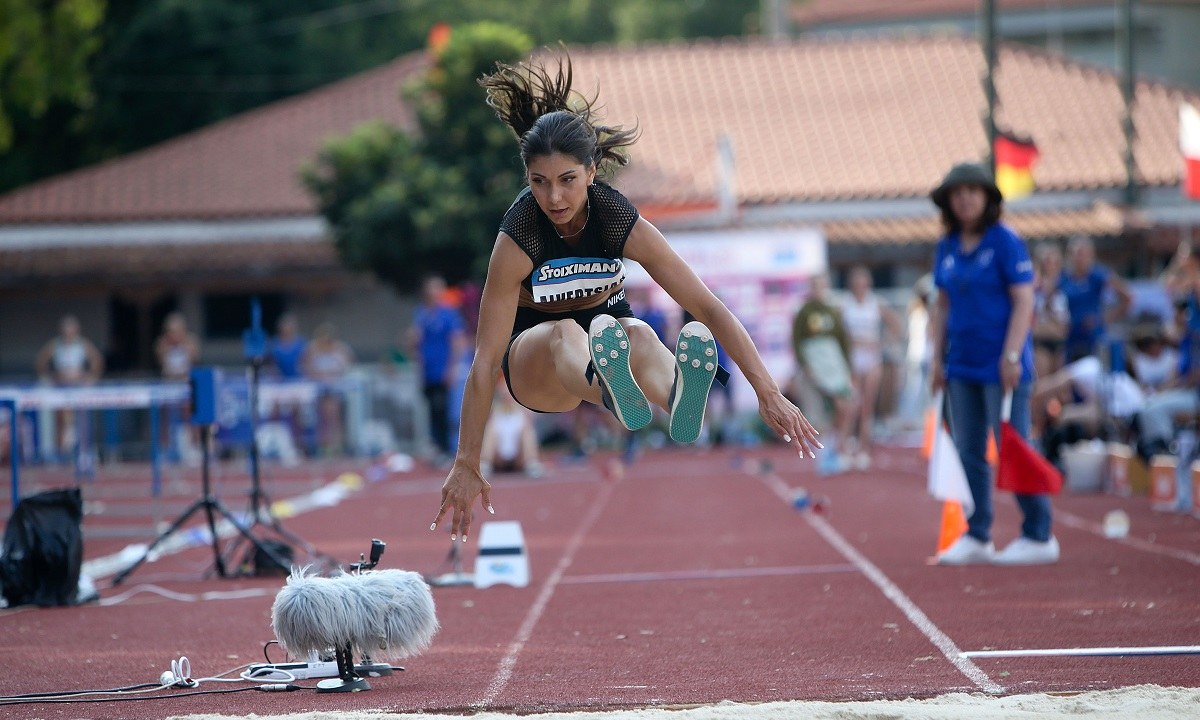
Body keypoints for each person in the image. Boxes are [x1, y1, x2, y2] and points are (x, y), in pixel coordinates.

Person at [430, 54, 821, 541]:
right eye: (539, 182)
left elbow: (708, 307)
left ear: (592, 173)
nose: (554, 198)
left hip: (609, 337)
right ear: (527, 179)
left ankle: (678, 400)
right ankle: (611, 391)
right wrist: (467, 460)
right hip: (539, 366)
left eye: (567, 180)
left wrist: (767, 391)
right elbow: (486, 361)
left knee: (635, 331)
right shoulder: (519, 237)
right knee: (569, 331)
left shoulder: (616, 218)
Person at [928, 162, 1057, 565]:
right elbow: (942, 306)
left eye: (973, 190)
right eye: (958, 191)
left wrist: (1013, 355)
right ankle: (978, 533)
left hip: (1003, 367)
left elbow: (1024, 300)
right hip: (960, 367)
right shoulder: (947, 246)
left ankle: (1039, 534)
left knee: (1012, 445)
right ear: (949, 201)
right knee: (969, 451)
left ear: (987, 198)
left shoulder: (1005, 242)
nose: (965, 197)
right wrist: (935, 359)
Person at [792, 272, 857, 473]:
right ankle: (825, 454)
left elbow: (843, 341)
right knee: (820, 413)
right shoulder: (804, 313)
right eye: (815, 286)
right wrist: (806, 366)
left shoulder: (833, 312)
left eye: (822, 286)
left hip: (834, 365)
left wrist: (847, 368)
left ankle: (838, 446)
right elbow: (797, 341)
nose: (819, 290)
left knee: (846, 405)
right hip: (815, 367)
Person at [840, 265, 901, 469]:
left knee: (867, 407)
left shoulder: (875, 303)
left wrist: (884, 342)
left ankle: (864, 450)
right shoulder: (846, 305)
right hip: (854, 360)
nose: (860, 287)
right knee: (851, 406)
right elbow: (840, 333)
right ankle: (845, 450)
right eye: (856, 283)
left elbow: (896, 324)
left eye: (863, 283)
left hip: (872, 360)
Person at [408, 276, 468, 462]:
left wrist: (452, 368)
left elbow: (457, 341)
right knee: (432, 409)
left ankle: (449, 448)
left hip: (443, 369)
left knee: (445, 409)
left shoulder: (448, 314)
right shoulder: (422, 313)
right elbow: (415, 339)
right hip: (428, 370)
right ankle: (437, 446)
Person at [35, 315, 105, 456]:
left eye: (71, 328)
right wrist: (52, 376)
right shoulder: (55, 345)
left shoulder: (83, 344)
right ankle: (59, 452)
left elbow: (97, 360)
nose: (68, 332)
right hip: (61, 388)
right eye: (66, 329)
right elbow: (40, 362)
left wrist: (90, 377)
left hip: (78, 388)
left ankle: (83, 451)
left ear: (76, 330)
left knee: (81, 420)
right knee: (60, 420)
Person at [1059, 235, 1130, 364]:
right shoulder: (1064, 277)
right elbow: (1048, 301)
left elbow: (1127, 298)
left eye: (1082, 254)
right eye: (1075, 254)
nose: (1078, 258)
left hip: (1094, 336)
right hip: (1071, 337)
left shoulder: (1098, 275)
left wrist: (1104, 319)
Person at [302, 322, 354, 456]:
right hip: (319, 390)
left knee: (334, 415)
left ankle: (336, 445)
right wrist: (318, 375)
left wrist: (331, 374)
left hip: (334, 389)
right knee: (320, 417)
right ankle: (321, 445)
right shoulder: (312, 350)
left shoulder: (340, 350)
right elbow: (306, 367)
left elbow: (346, 366)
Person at [481, 379, 544, 478]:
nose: (507, 396)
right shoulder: (494, 412)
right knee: (490, 429)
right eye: (505, 393)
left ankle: (532, 463)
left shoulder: (523, 411)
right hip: (499, 458)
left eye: (509, 393)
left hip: (518, 457)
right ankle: (485, 464)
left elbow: (534, 416)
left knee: (527, 430)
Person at [154, 312, 200, 382]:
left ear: (183, 330)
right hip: (168, 381)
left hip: (187, 380)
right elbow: (161, 363)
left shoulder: (191, 343)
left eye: (176, 331)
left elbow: (194, 362)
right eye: (170, 332)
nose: (173, 335)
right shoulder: (162, 344)